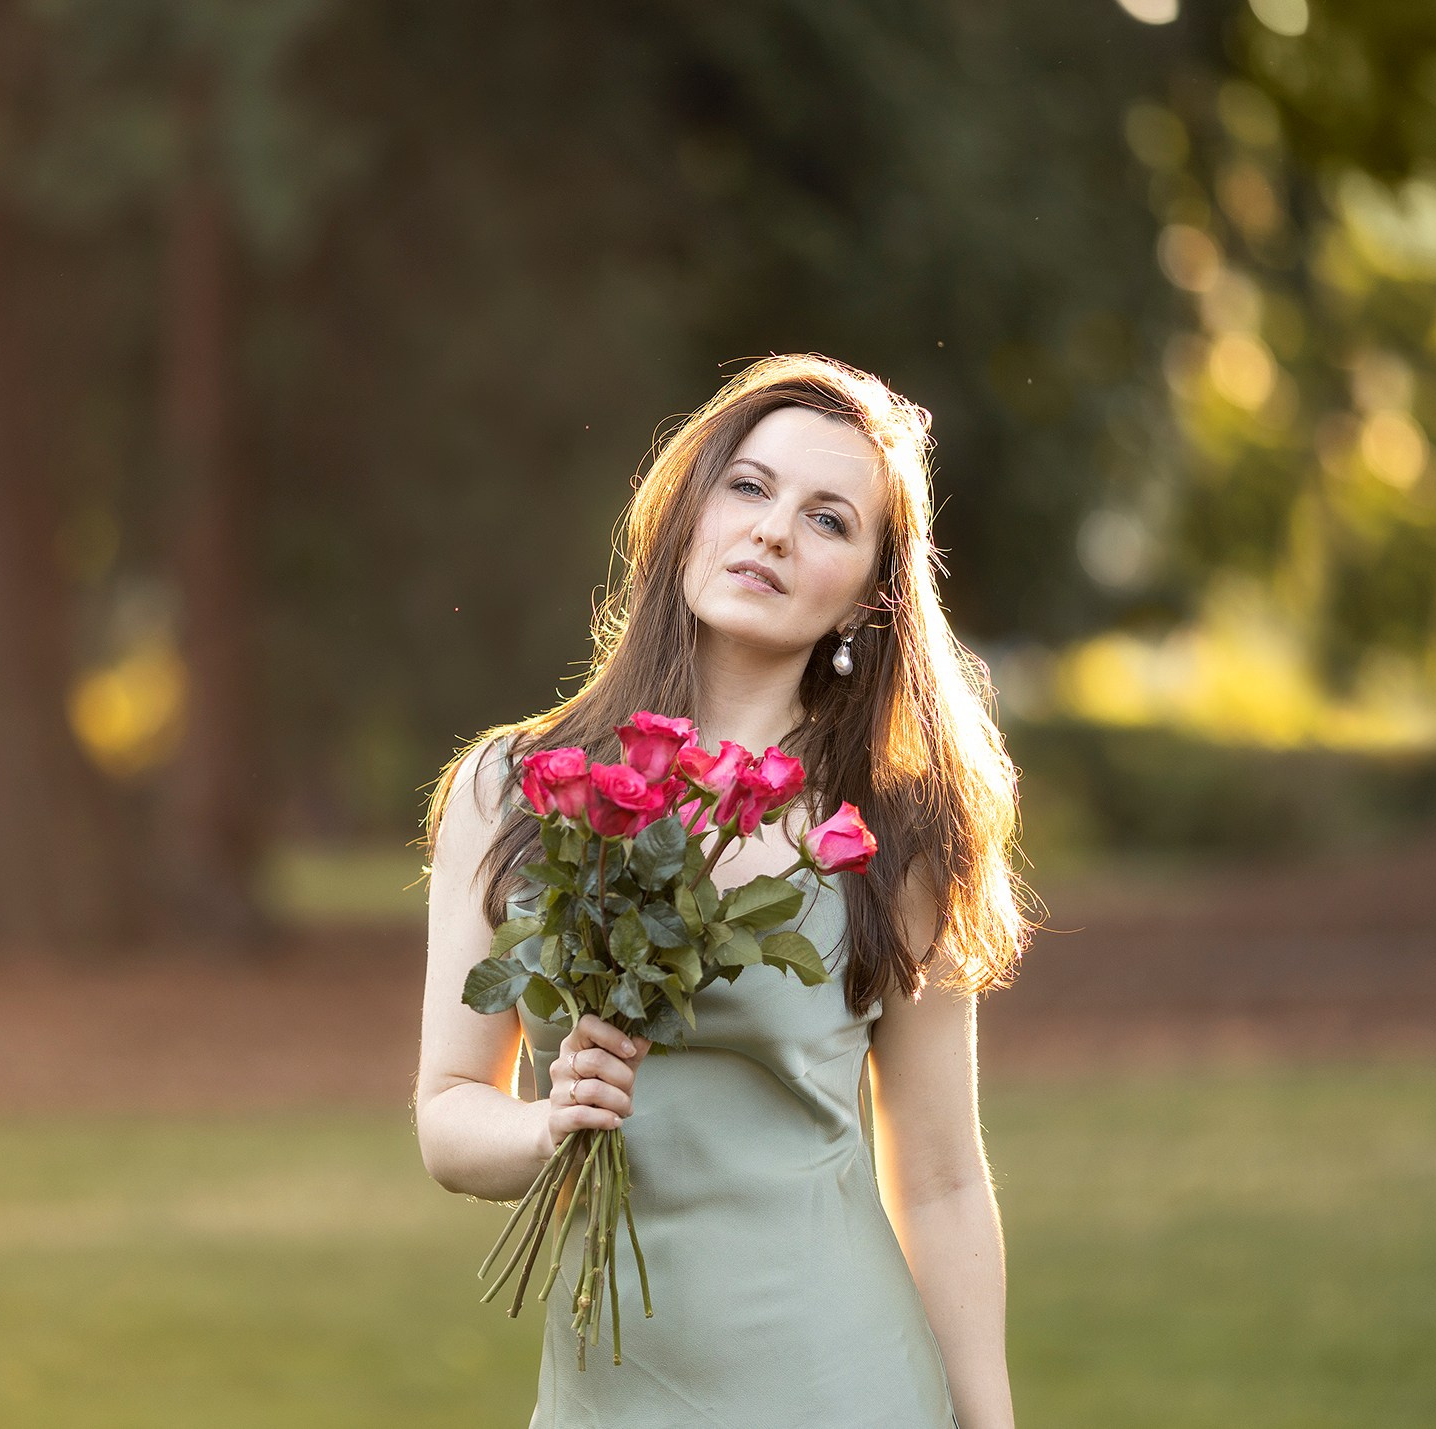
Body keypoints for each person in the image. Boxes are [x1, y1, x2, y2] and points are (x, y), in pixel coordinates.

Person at [414, 353, 1030, 1428]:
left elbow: (938, 1179)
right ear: (687, 511)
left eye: (828, 519)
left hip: (845, 1387)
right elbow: (447, 1114)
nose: (774, 531)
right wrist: (548, 1124)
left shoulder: (890, 832)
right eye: (748, 487)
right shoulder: (508, 790)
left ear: (868, 599)